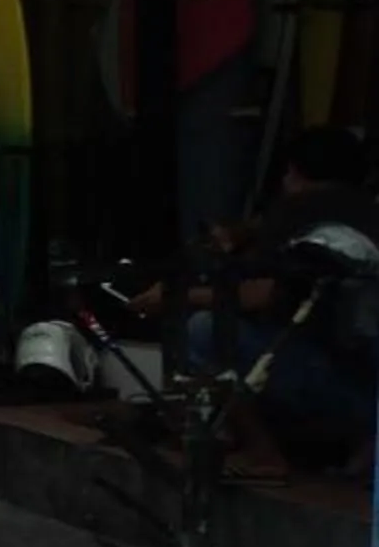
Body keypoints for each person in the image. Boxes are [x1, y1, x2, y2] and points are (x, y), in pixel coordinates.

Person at [138, 124, 379, 474]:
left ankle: (263, 454)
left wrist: (176, 297)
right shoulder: (362, 212)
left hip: (341, 388)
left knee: (206, 331)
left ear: (293, 173)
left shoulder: (301, 210)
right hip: (361, 388)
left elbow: (264, 294)